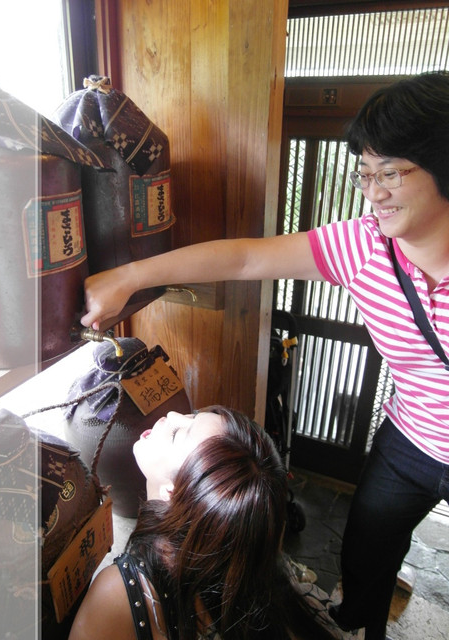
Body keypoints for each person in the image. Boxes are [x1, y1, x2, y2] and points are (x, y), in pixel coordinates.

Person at [80, 71, 449, 640]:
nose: (373, 193)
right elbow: (247, 258)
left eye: (392, 173)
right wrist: (130, 276)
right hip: (411, 438)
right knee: (367, 557)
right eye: (365, 173)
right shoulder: (365, 246)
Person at [68, 406, 343, 640]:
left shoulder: (115, 596)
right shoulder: (246, 563)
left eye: (177, 434)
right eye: (192, 414)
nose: (171, 415)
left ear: (174, 492)